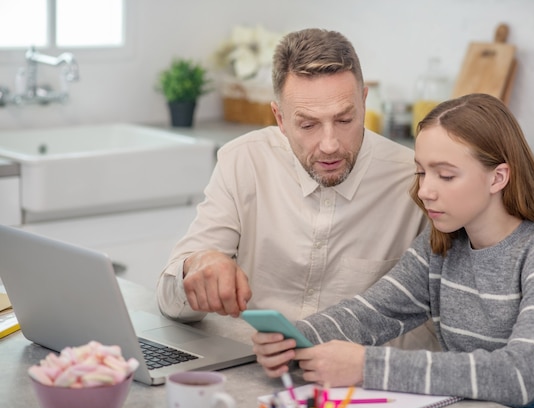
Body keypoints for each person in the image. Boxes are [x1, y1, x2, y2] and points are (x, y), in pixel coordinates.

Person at [252, 93, 534, 408]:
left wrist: (367, 365)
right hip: (483, 406)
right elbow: (373, 313)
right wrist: (294, 337)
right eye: (421, 173)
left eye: (445, 176)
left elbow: (517, 376)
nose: (426, 191)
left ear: (498, 178)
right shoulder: (441, 244)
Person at [156, 28, 438, 350]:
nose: (330, 145)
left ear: (363, 102)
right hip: (257, 371)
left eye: (345, 120)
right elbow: (168, 300)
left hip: (365, 385)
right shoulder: (243, 161)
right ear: (279, 117)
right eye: (308, 125)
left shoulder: (414, 178)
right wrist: (197, 266)